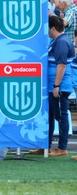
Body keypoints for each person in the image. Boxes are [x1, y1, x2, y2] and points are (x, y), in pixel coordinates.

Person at [30, 15, 74, 156]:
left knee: (60, 116)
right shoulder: (56, 41)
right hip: (51, 86)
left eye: (48, 28)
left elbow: (61, 65)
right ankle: (45, 146)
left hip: (58, 87)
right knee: (48, 116)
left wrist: (56, 86)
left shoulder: (61, 42)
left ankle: (62, 148)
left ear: (53, 28)